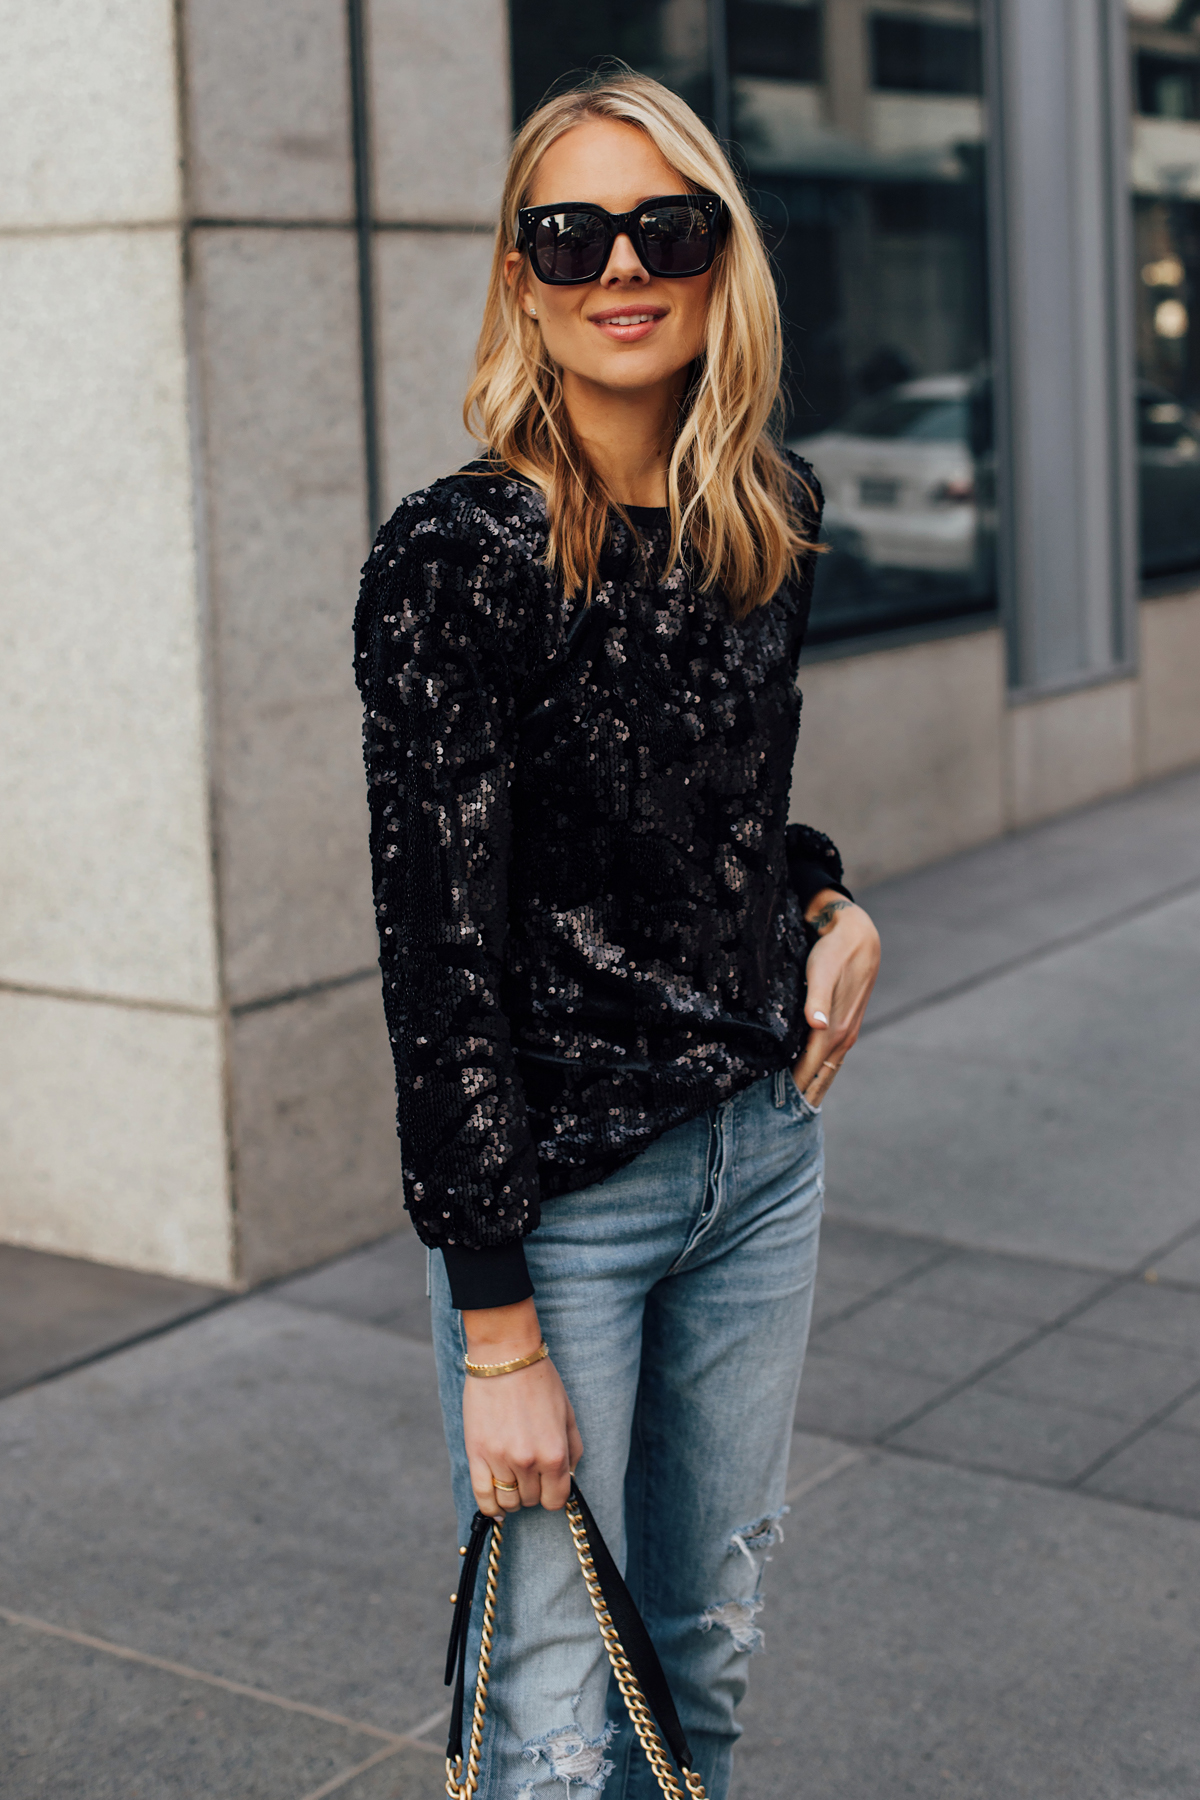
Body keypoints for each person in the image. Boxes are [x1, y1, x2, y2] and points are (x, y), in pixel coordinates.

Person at [353, 69, 880, 1800]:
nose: (622, 269)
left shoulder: (766, 516)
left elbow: (727, 814)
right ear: (521, 275)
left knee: (702, 1659)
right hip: (563, 1210)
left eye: (669, 227)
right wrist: (494, 1330)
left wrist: (825, 897)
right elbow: (438, 964)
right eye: (573, 235)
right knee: (551, 1726)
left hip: (762, 1160)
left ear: (724, 257)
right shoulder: (462, 558)